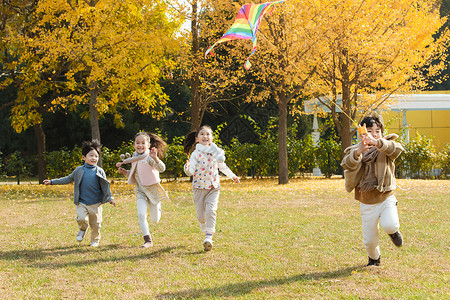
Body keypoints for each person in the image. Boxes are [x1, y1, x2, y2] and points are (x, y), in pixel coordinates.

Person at [341, 116, 404, 266]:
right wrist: (358, 152)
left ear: (382, 133)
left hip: (385, 195)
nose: (373, 134)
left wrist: (377, 143)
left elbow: (397, 150)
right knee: (369, 240)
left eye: (377, 131)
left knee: (390, 224)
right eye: (369, 131)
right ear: (362, 133)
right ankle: (374, 259)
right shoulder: (356, 150)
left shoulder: (385, 146)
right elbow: (347, 164)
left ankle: (394, 232)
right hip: (367, 201)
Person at [43, 140, 115, 247]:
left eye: (96, 156)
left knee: (96, 225)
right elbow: (67, 179)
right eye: (91, 155)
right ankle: (82, 228)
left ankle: (95, 240)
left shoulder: (100, 171)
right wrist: (52, 181)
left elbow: (105, 186)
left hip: (96, 204)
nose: (94, 158)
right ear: (83, 158)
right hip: (82, 202)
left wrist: (110, 197)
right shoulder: (79, 170)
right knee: (81, 219)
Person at [183, 125, 240, 251]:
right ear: (197, 138)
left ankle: (208, 238)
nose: (205, 136)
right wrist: (186, 169)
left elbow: (223, 167)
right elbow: (191, 171)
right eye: (202, 134)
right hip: (199, 188)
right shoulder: (195, 154)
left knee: (211, 211)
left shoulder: (216, 153)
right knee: (201, 216)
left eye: (208, 134)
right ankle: (204, 225)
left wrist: (233, 176)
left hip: (214, 187)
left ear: (212, 138)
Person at [116, 132, 168, 248]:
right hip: (140, 191)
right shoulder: (134, 158)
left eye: (143, 143)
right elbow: (137, 173)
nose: (140, 145)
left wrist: (155, 158)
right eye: (137, 143)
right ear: (134, 145)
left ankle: (158, 206)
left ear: (148, 145)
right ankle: (148, 240)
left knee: (155, 220)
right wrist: (125, 172)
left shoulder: (149, 157)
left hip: (152, 190)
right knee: (141, 214)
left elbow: (162, 169)